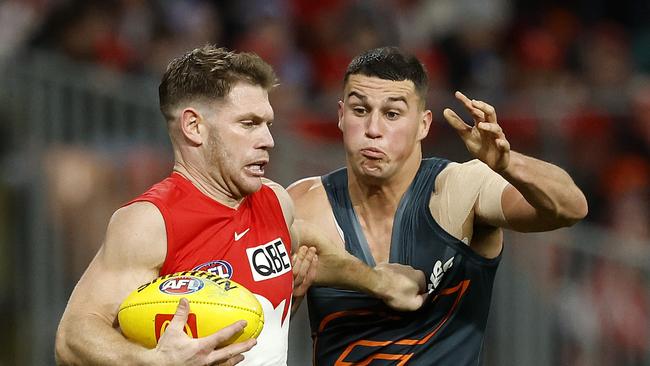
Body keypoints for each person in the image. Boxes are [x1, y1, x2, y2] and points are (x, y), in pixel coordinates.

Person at [54, 45, 428, 366]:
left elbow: (307, 244)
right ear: (194, 127)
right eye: (248, 123)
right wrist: (157, 361)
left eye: (267, 124)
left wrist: (378, 282)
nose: (268, 140)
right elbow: (73, 335)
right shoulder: (151, 221)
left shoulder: (274, 201)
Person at [287, 46, 589, 365]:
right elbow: (254, 324)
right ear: (340, 115)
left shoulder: (458, 190)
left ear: (423, 124)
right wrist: (288, 300)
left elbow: (571, 208)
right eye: (360, 110)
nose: (373, 130)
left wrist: (508, 163)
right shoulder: (305, 205)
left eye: (392, 114)